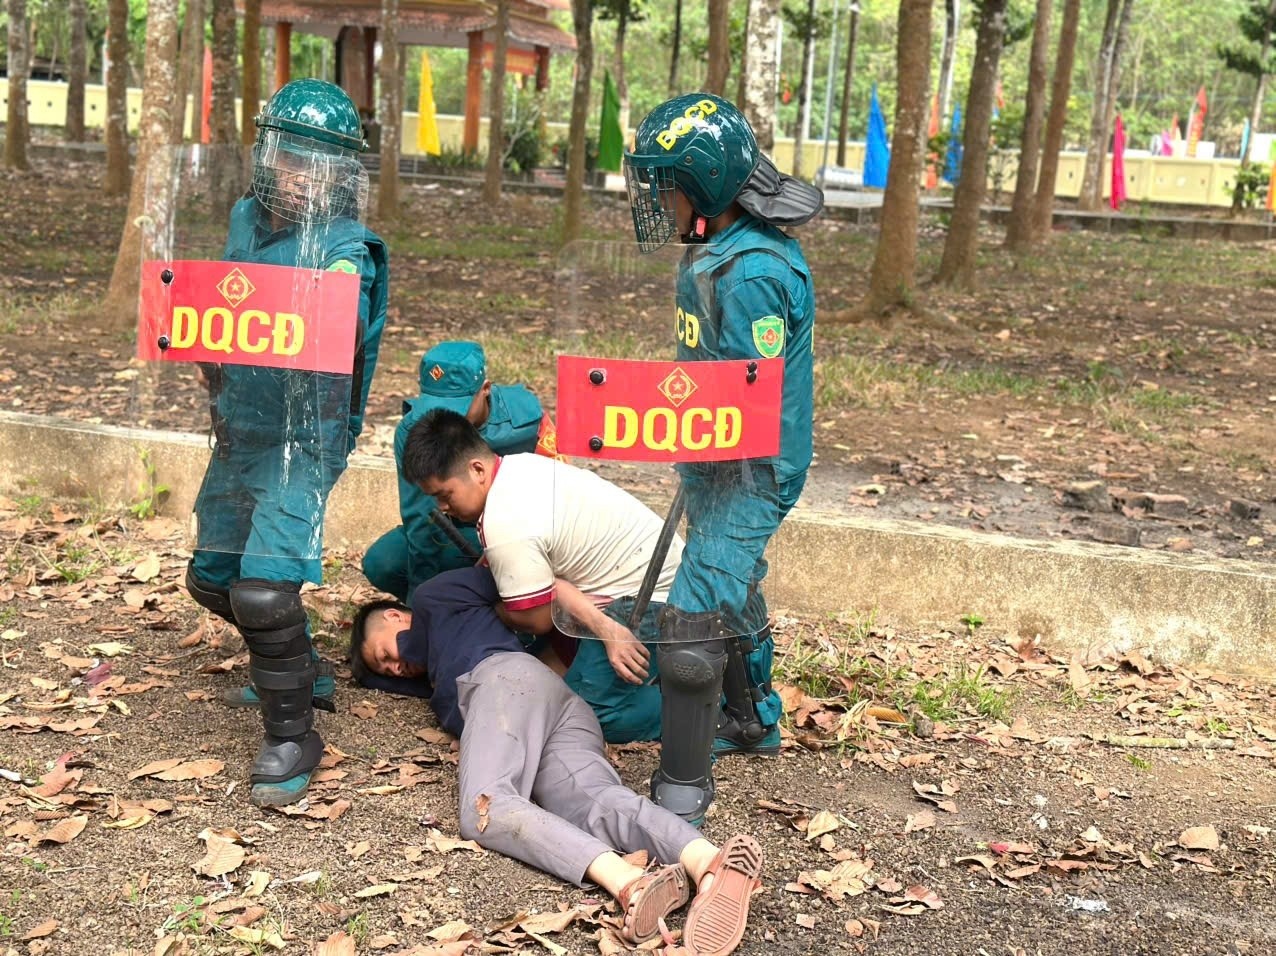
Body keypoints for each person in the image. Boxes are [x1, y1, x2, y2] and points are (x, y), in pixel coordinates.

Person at [350, 570, 765, 956]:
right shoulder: (440, 660)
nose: (394, 668)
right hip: (559, 702)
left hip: (506, 682)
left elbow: (532, 582)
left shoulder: (434, 597)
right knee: (594, 799)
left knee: (487, 806)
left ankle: (628, 882)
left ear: (394, 616)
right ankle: (708, 861)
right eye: (385, 670)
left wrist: (603, 628)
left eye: (383, 653)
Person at [181, 78, 390, 808]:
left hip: (304, 438)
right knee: (212, 578)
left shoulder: (347, 248)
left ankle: (293, 735)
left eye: (319, 167)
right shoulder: (245, 215)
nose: (302, 178)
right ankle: (302, 664)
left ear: (342, 176)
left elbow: (341, 321)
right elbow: (220, 299)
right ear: (267, 154)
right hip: (241, 427)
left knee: (264, 591)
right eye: (291, 159)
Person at [622, 93, 822, 822]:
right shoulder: (715, 247)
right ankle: (752, 717)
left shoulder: (753, 273)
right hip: (712, 459)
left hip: (751, 470)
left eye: (666, 186)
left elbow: (744, 397)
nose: (657, 202)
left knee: (692, 623)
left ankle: (681, 796)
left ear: (704, 187)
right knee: (731, 583)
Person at [394, 407, 683, 746]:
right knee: (548, 681)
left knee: (587, 714)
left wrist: (486, 611)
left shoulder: (505, 521)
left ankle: (703, 710)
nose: (443, 507)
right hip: (655, 576)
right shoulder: (519, 467)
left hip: (650, 598)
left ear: (476, 470)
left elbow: (537, 619)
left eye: (445, 495)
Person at [360, 339, 559, 604]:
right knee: (383, 561)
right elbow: (421, 517)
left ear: (485, 389)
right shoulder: (412, 430)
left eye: (457, 408)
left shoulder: (528, 421)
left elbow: (558, 493)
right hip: (454, 529)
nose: (445, 419)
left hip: (522, 529)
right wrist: (419, 603)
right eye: (435, 407)